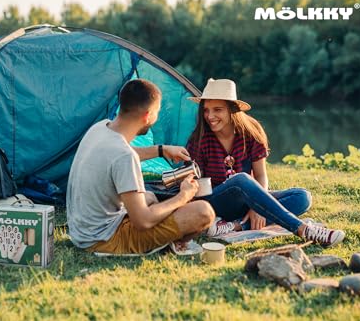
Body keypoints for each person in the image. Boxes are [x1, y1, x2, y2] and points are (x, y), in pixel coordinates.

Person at [186, 78, 345, 247]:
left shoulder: (251, 132)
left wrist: (257, 208)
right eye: (206, 110)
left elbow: (261, 175)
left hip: (246, 201)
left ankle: (236, 226)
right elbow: (196, 187)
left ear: (232, 110)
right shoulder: (200, 139)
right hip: (215, 203)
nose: (210, 116)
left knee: (302, 197)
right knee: (241, 180)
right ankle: (303, 229)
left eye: (217, 110)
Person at [67, 79, 215, 254]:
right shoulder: (123, 156)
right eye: (157, 112)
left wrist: (162, 150)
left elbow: (119, 156)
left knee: (150, 196)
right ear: (147, 116)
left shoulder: (100, 128)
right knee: (203, 212)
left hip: (82, 231)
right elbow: (142, 221)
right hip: (103, 240)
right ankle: (171, 243)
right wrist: (183, 196)